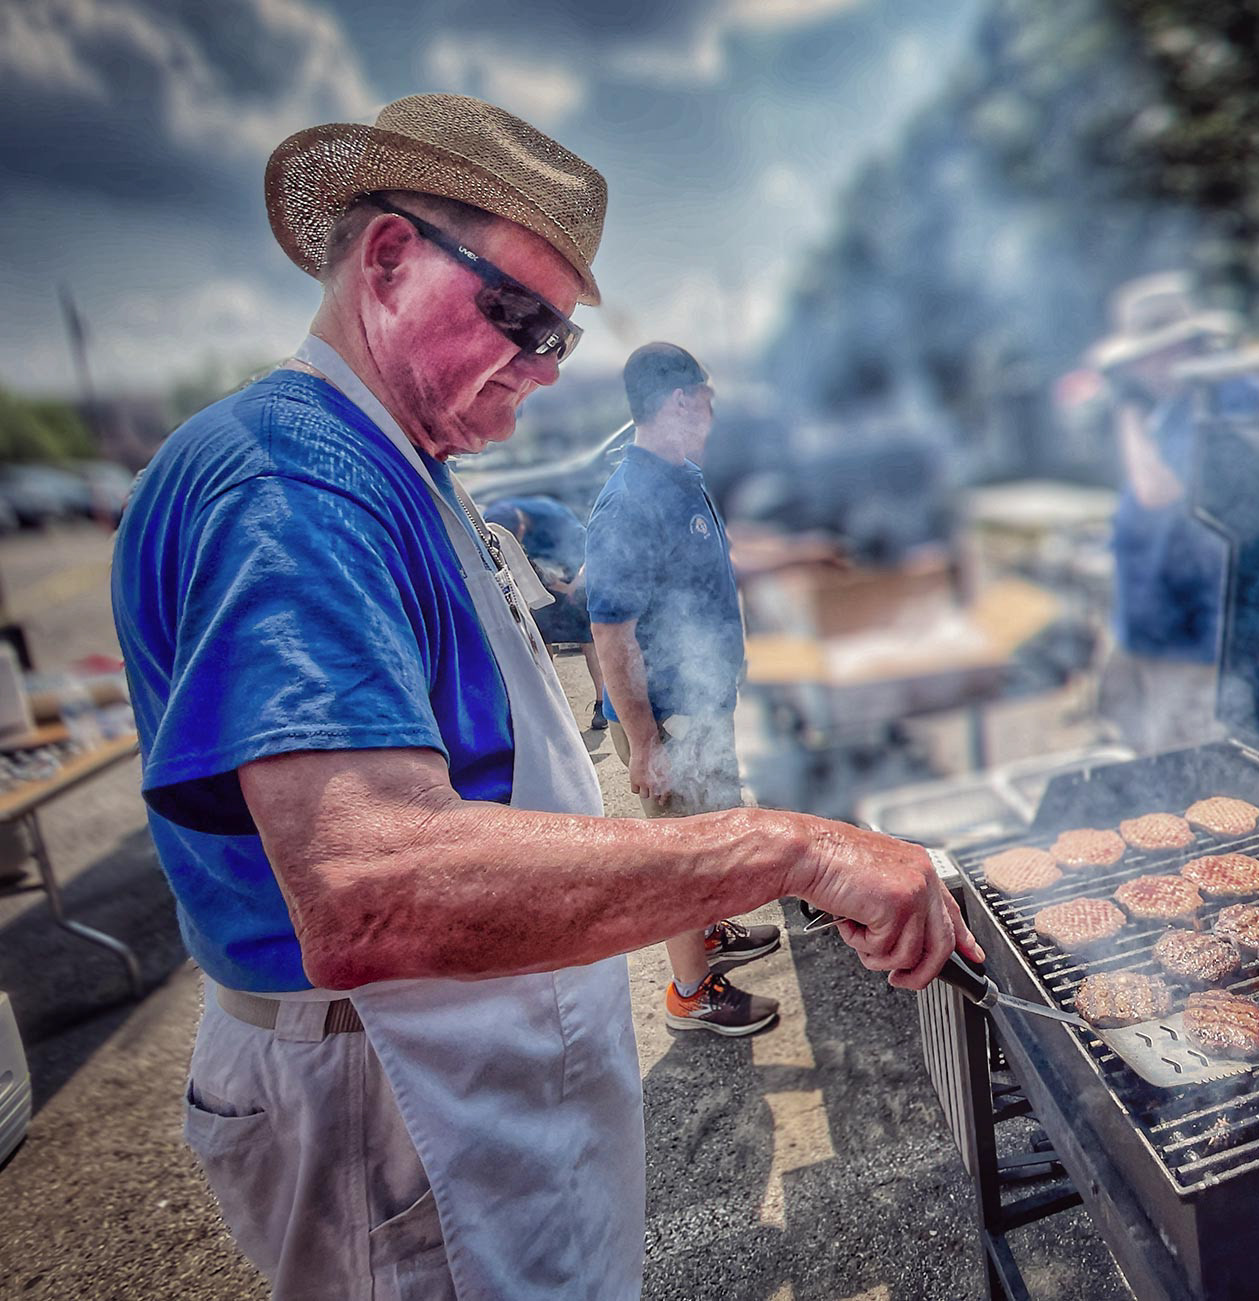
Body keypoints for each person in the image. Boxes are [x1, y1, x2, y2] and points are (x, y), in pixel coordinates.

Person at [108, 93, 974, 1299]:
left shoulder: (405, 463)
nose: (540, 368)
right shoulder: (291, 480)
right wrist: (790, 848)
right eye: (518, 316)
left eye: (559, 339)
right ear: (390, 258)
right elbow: (370, 888)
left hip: (477, 1054)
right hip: (400, 1085)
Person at [587, 343, 782, 1035]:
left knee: (709, 836)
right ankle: (690, 994)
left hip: (702, 703)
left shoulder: (683, 478)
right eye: (707, 399)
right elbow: (612, 634)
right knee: (679, 859)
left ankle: (709, 930)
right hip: (666, 717)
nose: (712, 412)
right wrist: (645, 743)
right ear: (680, 401)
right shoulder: (628, 503)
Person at [1088, 273, 1259, 754]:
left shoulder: (1228, 396)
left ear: (1189, 345)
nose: (1146, 368)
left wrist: (1126, 415)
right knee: (1147, 754)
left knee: (1191, 765)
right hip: (1154, 623)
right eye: (1140, 357)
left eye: (1158, 352)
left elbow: (1158, 491)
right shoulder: (1170, 408)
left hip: (1196, 636)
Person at [481, 494, 610, 728]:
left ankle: (601, 703)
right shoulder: (498, 521)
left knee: (587, 640)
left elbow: (591, 553)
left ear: (521, 527)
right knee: (541, 639)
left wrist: (573, 585)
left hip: (574, 579)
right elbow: (520, 565)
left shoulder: (556, 518)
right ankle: (552, 706)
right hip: (544, 583)